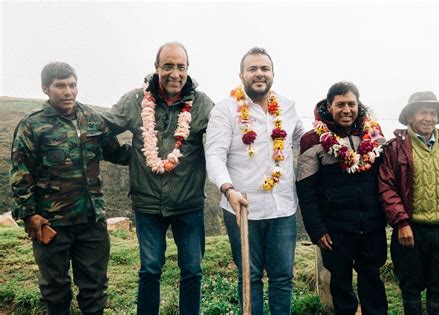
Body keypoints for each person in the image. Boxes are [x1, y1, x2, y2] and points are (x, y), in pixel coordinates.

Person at [101, 42, 213, 314]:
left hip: (188, 204)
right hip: (147, 204)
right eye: (168, 66)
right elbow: (103, 127)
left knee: (192, 271)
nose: (175, 73)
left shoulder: (202, 104)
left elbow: (223, 141)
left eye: (181, 67)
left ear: (187, 69)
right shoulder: (134, 101)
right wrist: (125, 155)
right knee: (150, 269)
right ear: (156, 68)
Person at [10, 62, 130, 315]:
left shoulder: (92, 119)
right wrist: (29, 214)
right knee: (55, 291)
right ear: (46, 88)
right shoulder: (32, 125)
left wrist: (155, 152)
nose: (68, 92)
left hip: (91, 221)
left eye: (72, 85)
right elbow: (21, 174)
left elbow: (116, 153)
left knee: (94, 290)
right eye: (60, 86)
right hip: (52, 223)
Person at [205, 47, 305, 314]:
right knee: (249, 279)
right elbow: (214, 155)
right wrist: (228, 190)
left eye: (265, 68)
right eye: (253, 69)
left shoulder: (288, 107)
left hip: (282, 208)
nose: (259, 73)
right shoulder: (225, 110)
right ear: (241, 75)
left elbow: (303, 142)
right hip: (242, 209)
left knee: (282, 278)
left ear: (273, 73)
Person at [296, 81, 388, 314]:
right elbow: (306, 191)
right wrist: (317, 230)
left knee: (373, 283)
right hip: (335, 230)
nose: (346, 110)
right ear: (329, 106)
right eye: (340, 105)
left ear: (358, 105)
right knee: (341, 288)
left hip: (371, 226)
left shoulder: (373, 134)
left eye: (351, 104)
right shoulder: (312, 140)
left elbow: (386, 179)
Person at [378, 91, 439, 314]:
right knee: (410, 287)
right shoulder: (394, 148)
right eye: (423, 112)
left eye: (433, 113)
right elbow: (387, 187)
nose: (429, 118)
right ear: (410, 117)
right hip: (410, 231)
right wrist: (401, 223)